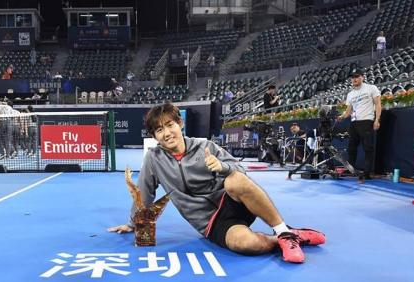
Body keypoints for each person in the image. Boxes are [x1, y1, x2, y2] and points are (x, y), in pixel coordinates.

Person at [108, 103, 326, 263]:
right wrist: (131, 223)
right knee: (246, 244)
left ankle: (282, 230)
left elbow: (240, 172)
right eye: (159, 130)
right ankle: (288, 237)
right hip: (211, 223)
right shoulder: (153, 159)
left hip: (233, 200)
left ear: (180, 124)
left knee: (235, 180)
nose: (166, 133)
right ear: (154, 136)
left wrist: (223, 167)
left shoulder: (205, 145)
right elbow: (145, 195)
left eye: (169, 125)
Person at [337, 68, 382, 181]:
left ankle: (367, 172)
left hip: (367, 121)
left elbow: (378, 104)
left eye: (357, 76)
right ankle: (351, 169)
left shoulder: (371, 88)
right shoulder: (351, 94)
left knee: (368, 148)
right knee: (351, 148)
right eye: (353, 77)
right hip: (354, 123)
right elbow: (349, 110)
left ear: (362, 77)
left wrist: (377, 119)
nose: (354, 79)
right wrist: (342, 116)